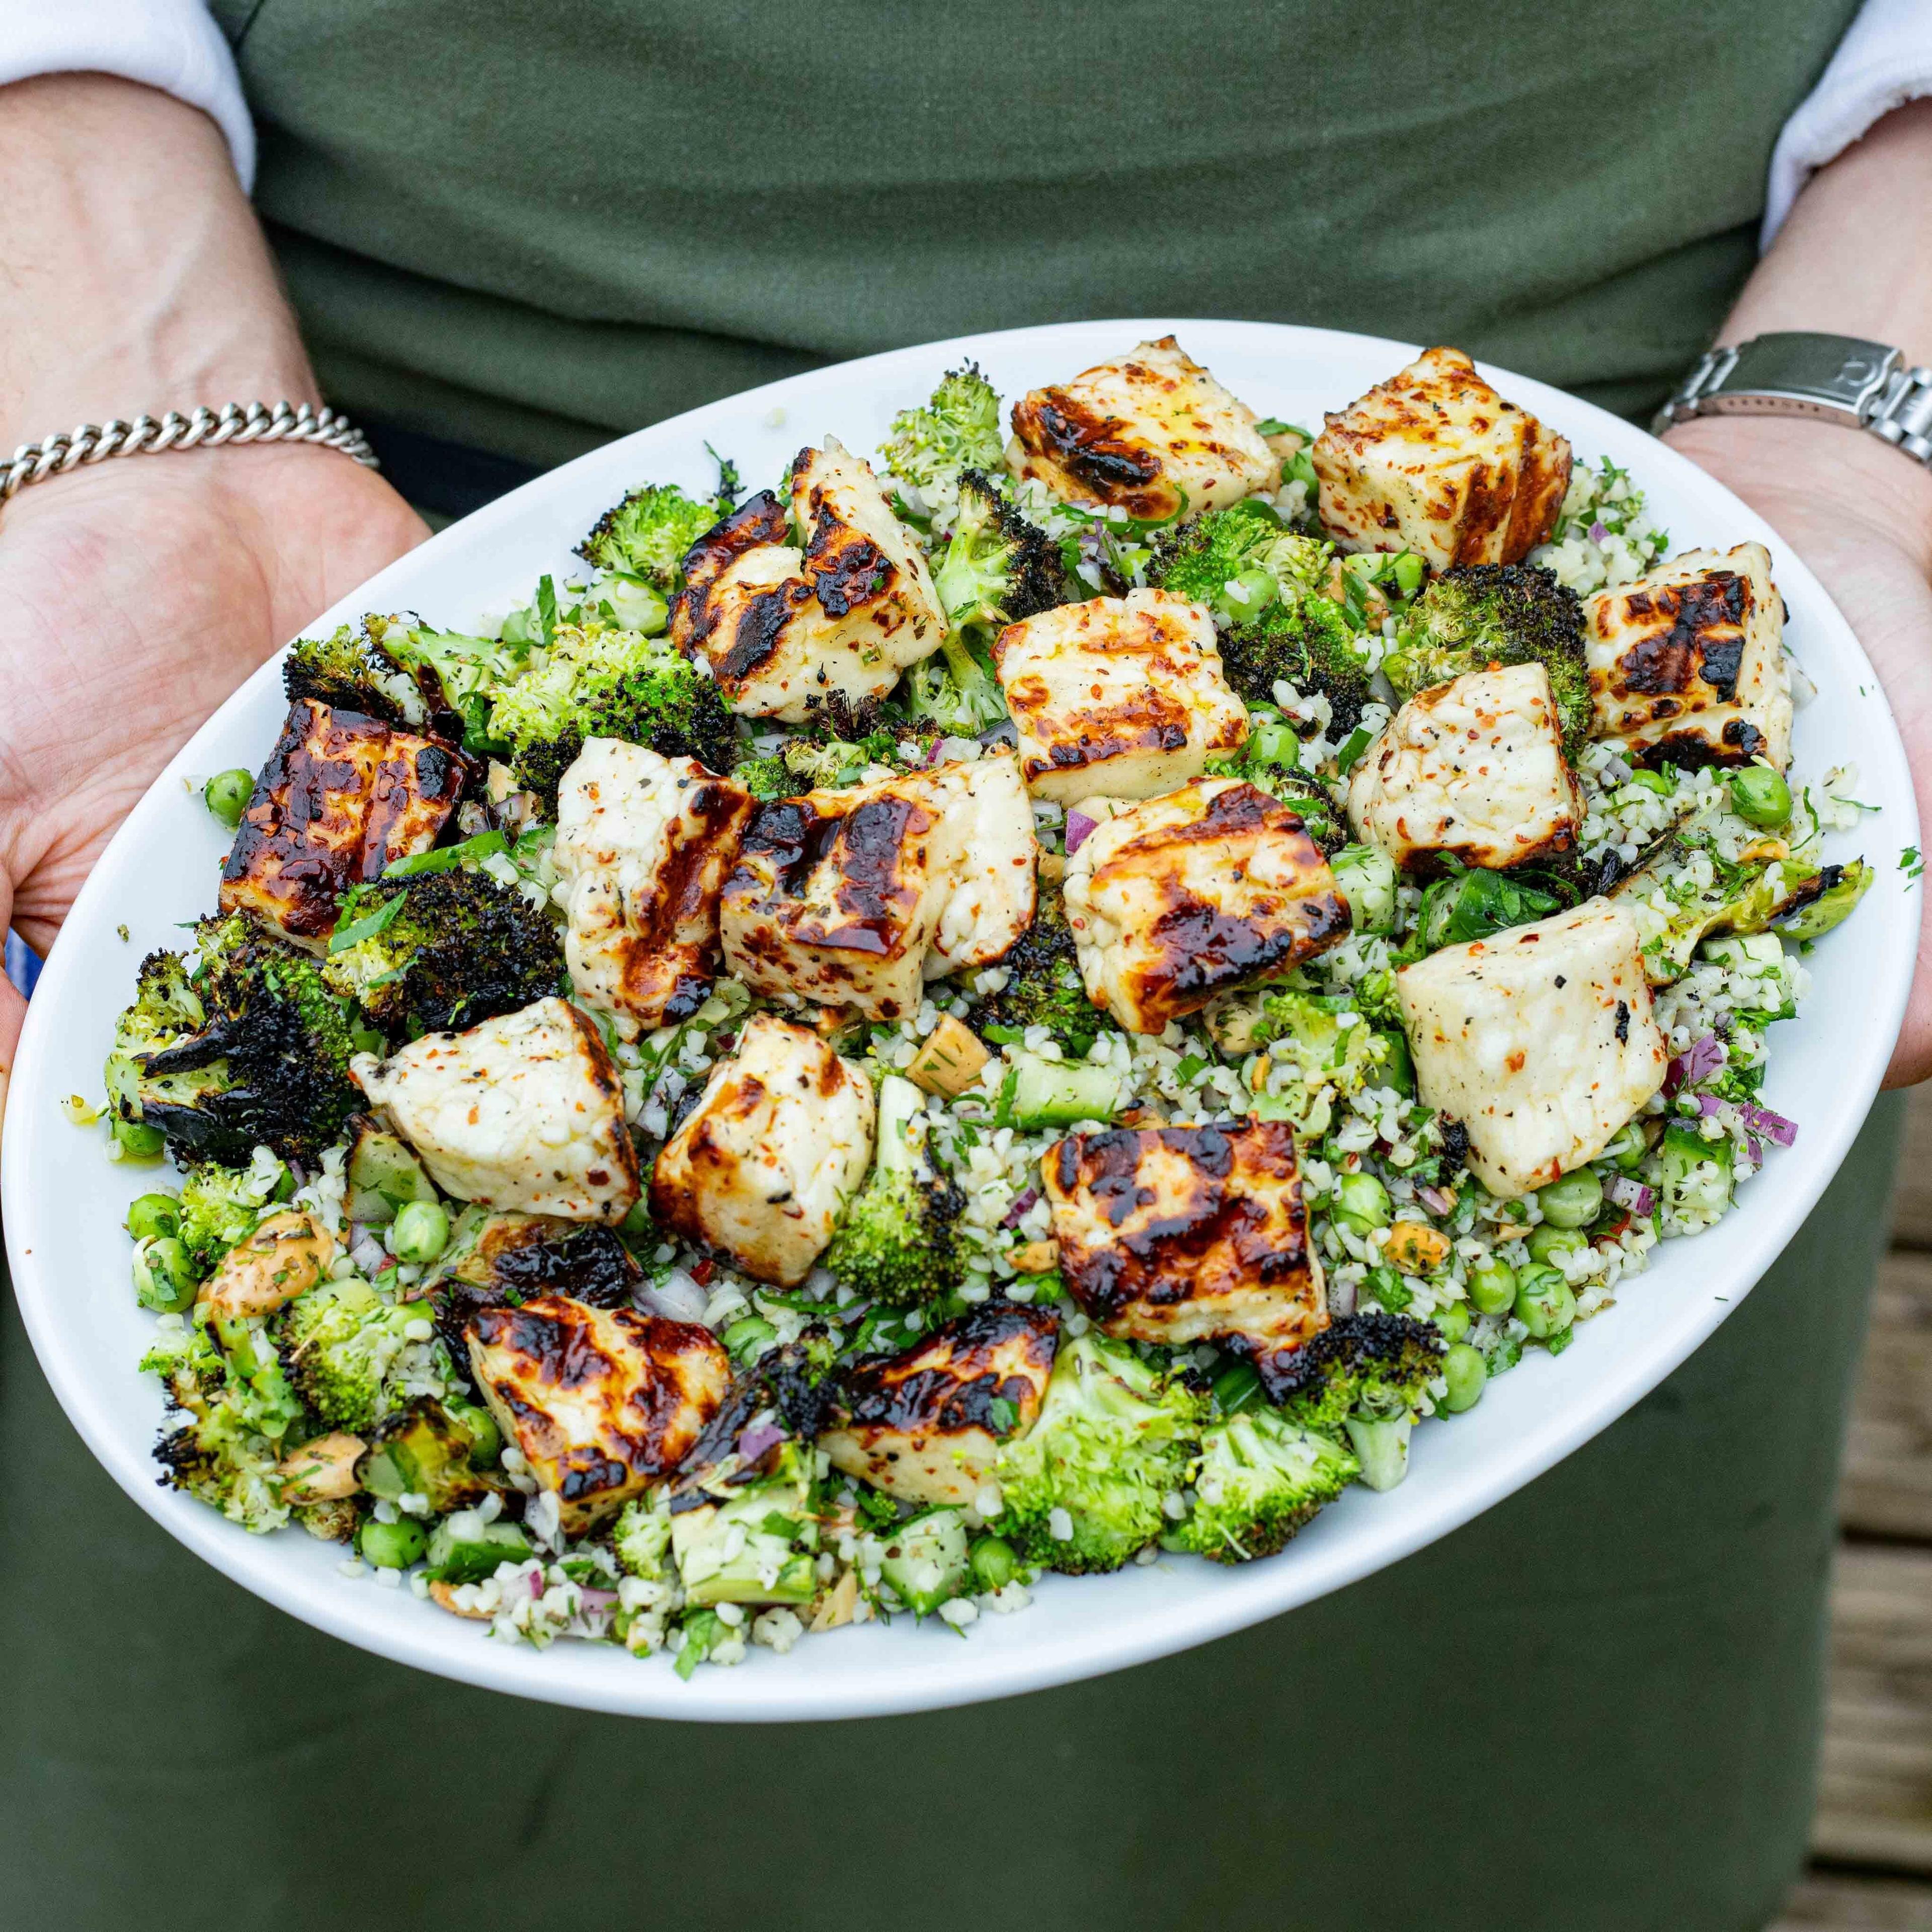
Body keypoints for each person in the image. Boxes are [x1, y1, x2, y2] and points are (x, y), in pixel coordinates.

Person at [1, 6, 1928, 1926]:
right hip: (332, 458)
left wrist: (1876, 417)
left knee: (1427, 1806)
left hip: (1685, 412)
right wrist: (104, 411)